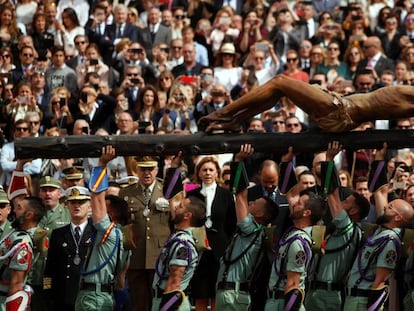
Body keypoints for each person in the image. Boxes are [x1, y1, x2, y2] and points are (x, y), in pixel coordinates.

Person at [199, 74, 414, 133]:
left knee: (279, 82)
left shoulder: (409, 97)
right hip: (339, 108)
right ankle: (234, 120)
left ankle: (222, 114)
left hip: (339, 112)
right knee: (276, 91)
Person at [343, 143, 414, 310]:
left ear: (397, 217)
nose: (385, 207)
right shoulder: (385, 226)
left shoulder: (390, 238)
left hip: (364, 300)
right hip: (353, 297)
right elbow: (380, 192)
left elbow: (380, 282)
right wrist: (379, 158)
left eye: (390, 207)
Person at [305, 141, 370, 311]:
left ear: (354, 210)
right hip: (315, 292)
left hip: (328, 297)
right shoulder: (342, 228)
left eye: (346, 201)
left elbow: (333, 194)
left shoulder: (348, 228)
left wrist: (329, 160)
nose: (342, 202)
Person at [215, 144, 278, 311]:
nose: (251, 202)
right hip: (232, 295)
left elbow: (241, 196)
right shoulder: (254, 231)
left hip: (233, 296)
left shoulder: (251, 229)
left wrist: (238, 161)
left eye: (255, 203)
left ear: (260, 215)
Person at [151, 153, 206, 311]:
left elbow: (174, 282)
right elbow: (173, 199)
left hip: (171, 304)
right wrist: (174, 167)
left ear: (188, 215)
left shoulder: (183, 244)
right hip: (163, 300)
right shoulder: (177, 235)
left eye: (180, 206)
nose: (175, 207)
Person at [75, 145, 126, 311]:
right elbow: (121, 281)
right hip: (105, 296)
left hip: (93, 298)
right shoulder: (124, 238)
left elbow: (96, 197)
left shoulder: (108, 231)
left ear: (110, 213)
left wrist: (102, 164)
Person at [119, 156, 171, 311]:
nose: (147, 173)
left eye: (150, 169)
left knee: (160, 302)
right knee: (138, 302)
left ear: (157, 170)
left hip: (160, 255)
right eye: (143, 169)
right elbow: (122, 224)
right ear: (137, 170)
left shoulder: (167, 190)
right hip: (136, 256)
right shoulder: (126, 193)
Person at [43, 184, 95, 311]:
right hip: (62, 296)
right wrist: (48, 292)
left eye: (81, 202)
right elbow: (49, 267)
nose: (76, 206)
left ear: (89, 206)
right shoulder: (58, 234)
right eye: (72, 202)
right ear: (67, 205)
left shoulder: (95, 232)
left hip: (87, 296)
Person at [0, 195, 45, 311]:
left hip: (4, 301)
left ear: (29, 215)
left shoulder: (22, 244)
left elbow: (17, 282)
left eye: (19, 208)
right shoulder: (16, 234)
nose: (14, 210)